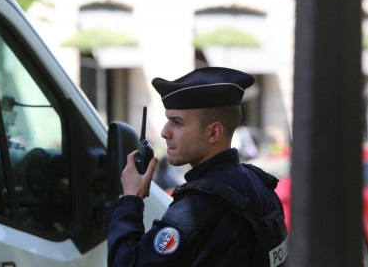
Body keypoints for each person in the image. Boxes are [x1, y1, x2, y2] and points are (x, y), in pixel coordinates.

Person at [107, 67, 288, 266]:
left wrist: (131, 198)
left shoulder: (197, 207)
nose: (164, 133)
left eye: (176, 122)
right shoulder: (260, 183)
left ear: (214, 133)